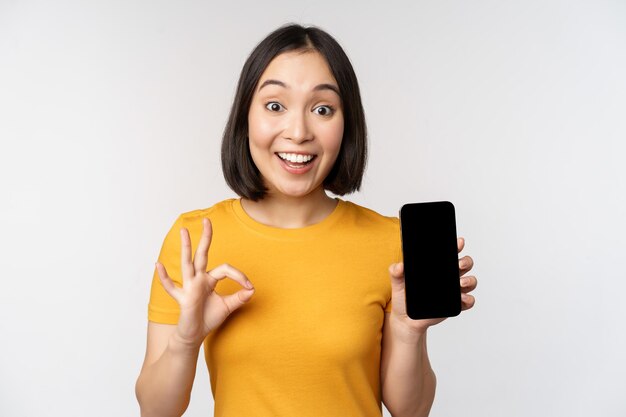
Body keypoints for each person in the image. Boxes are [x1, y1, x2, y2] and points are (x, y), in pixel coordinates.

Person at [135, 24, 477, 417]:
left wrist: (407, 328)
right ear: (246, 115)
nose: (298, 132)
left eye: (322, 109)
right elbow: (155, 410)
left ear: (346, 123)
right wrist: (186, 338)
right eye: (275, 105)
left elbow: (411, 411)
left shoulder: (389, 242)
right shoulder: (196, 240)